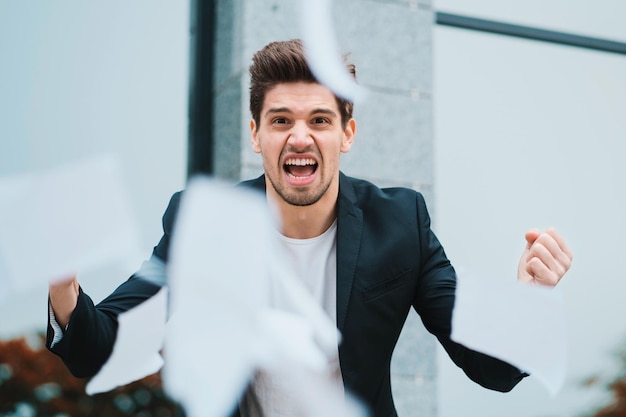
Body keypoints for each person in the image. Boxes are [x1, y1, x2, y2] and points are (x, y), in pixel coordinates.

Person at [47, 39, 573, 416]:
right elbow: (103, 347)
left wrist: (528, 303)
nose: (300, 137)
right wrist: (63, 284)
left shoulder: (401, 221)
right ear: (256, 135)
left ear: (347, 133)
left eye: (319, 120)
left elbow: (492, 368)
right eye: (280, 121)